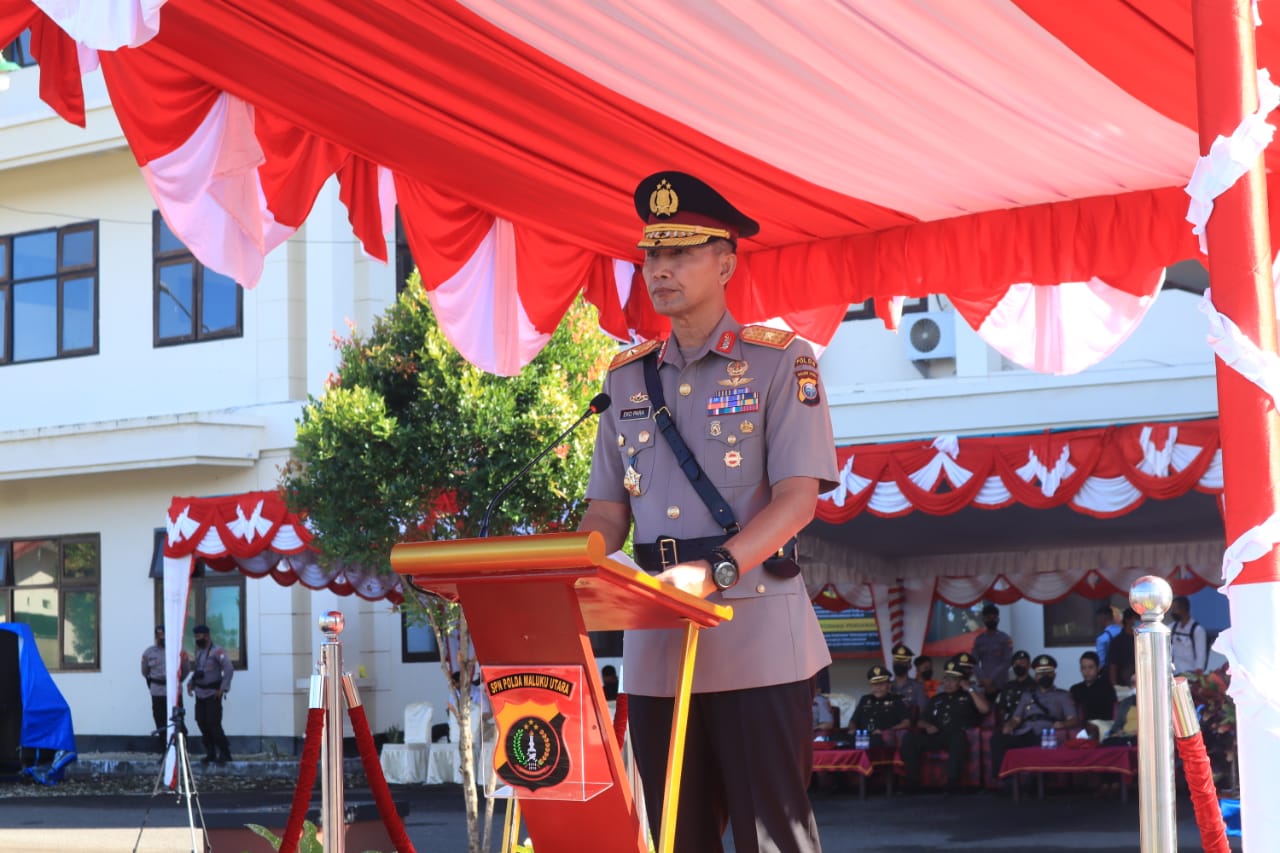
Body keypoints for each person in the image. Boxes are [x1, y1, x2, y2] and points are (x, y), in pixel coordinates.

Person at [579, 171, 837, 853]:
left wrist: (716, 569)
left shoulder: (781, 364)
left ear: (725, 262)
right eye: (651, 256)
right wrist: (558, 564)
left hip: (754, 634)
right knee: (674, 839)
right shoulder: (624, 379)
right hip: (658, 644)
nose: (659, 270)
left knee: (771, 838)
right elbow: (606, 515)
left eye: (680, 253)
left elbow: (797, 500)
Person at [899, 659, 990, 793]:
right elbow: (920, 721)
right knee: (909, 738)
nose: (948, 683)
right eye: (946, 679)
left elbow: (985, 709)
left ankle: (952, 783)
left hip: (957, 735)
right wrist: (928, 726)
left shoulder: (968, 696)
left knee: (957, 737)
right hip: (937, 735)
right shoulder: (937, 698)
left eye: (953, 680)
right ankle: (913, 782)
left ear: (961, 682)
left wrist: (970, 689)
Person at [990, 654, 1079, 783]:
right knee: (997, 739)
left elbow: (1073, 719)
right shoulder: (1027, 695)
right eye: (1041, 673)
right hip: (1024, 732)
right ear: (1036, 676)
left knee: (1041, 753)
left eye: (1048, 673)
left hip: (1045, 735)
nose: (1044, 677)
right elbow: (1016, 718)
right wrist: (1009, 725)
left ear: (1054, 675)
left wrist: (1063, 724)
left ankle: (1036, 785)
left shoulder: (1063, 695)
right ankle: (1002, 779)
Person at [184, 624, 233, 765]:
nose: (197, 639)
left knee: (213, 724)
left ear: (207, 635)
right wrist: (190, 683)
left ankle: (224, 752)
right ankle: (210, 752)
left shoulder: (218, 651)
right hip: (200, 693)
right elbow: (198, 670)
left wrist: (223, 688)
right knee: (201, 722)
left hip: (213, 693)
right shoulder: (199, 652)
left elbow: (228, 669)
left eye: (199, 636)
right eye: (195, 637)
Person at [141, 625, 185, 751]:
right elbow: (145, 672)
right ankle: (166, 751)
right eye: (159, 634)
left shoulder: (178, 650)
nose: (162, 637)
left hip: (174, 692)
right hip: (157, 692)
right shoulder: (149, 653)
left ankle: (181, 751)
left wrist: (177, 681)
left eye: (164, 634)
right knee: (160, 721)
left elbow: (185, 669)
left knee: (178, 722)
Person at [850, 665, 911, 746]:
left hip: (882, 737)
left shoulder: (896, 700)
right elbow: (853, 721)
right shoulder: (864, 699)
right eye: (875, 684)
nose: (878, 687)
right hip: (862, 736)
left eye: (881, 684)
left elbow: (906, 722)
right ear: (871, 686)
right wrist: (853, 729)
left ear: (889, 685)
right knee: (839, 740)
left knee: (875, 741)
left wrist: (887, 731)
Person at [971, 604, 1014, 698]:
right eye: (988, 617)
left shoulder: (1005, 638)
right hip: (983, 684)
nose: (991, 620)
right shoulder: (979, 640)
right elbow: (973, 662)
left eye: (994, 617)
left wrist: (991, 679)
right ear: (983, 620)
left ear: (998, 619)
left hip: (1000, 683)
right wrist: (983, 679)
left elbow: (1007, 661)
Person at [1070, 651, 1117, 722]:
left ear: (1098, 668)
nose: (1087, 671)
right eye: (1083, 668)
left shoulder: (1106, 688)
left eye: (1090, 667)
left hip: (1101, 724)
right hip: (1081, 725)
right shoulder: (1075, 689)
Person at [1168, 595, 1209, 675]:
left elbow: (1201, 655)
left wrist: (1198, 673)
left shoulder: (1197, 630)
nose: (1173, 612)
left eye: (1175, 609)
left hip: (1191, 675)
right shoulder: (1173, 627)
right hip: (1175, 674)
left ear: (1183, 609)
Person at [994, 650, 1034, 723]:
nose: (1018, 666)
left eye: (1022, 663)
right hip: (1008, 724)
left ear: (1029, 665)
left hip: (1028, 724)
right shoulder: (1008, 686)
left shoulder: (1035, 686)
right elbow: (1001, 707)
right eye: (1016, 663)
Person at [889, 644, 927, 718]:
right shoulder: (887, 687)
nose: (899, 664)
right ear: (893, 664)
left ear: (909, 666)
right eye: (897, 662)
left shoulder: (918, 687)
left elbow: (922, 712)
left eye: (902, 662)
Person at [1107, 609, 1139, 689]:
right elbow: (1113, 664)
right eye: (1137, 618)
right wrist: (1114, 686)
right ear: (1127, 620)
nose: (1139, 621)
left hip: (1140, 683)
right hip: (1123, 685)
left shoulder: (1141, 639)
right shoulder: (1117, 641)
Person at [1095, 604, 1122, 669]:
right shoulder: (1123, 631)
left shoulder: (1102, 639)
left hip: (1110, 673)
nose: (1097, 622)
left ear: (1102, 618)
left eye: (1098, 619)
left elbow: (1101, 662)